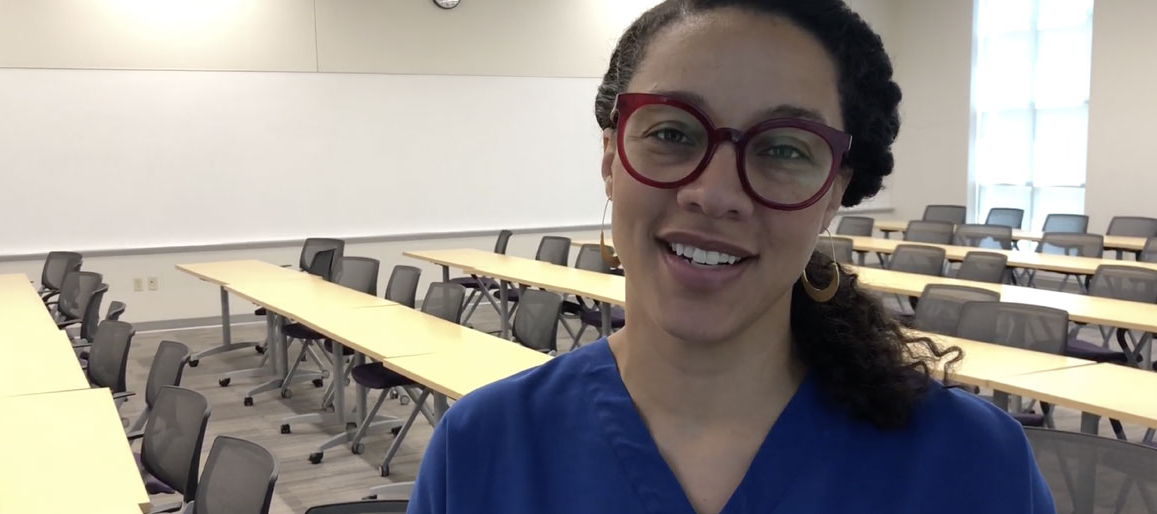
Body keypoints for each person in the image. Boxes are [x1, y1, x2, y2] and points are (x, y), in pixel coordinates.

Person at [408, 0, 1055, 512]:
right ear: (610, 160)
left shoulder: (968, 461)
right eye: (671, 132)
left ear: (834, 194)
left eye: (784, 148)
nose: (715, 193)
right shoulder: (483, 448)